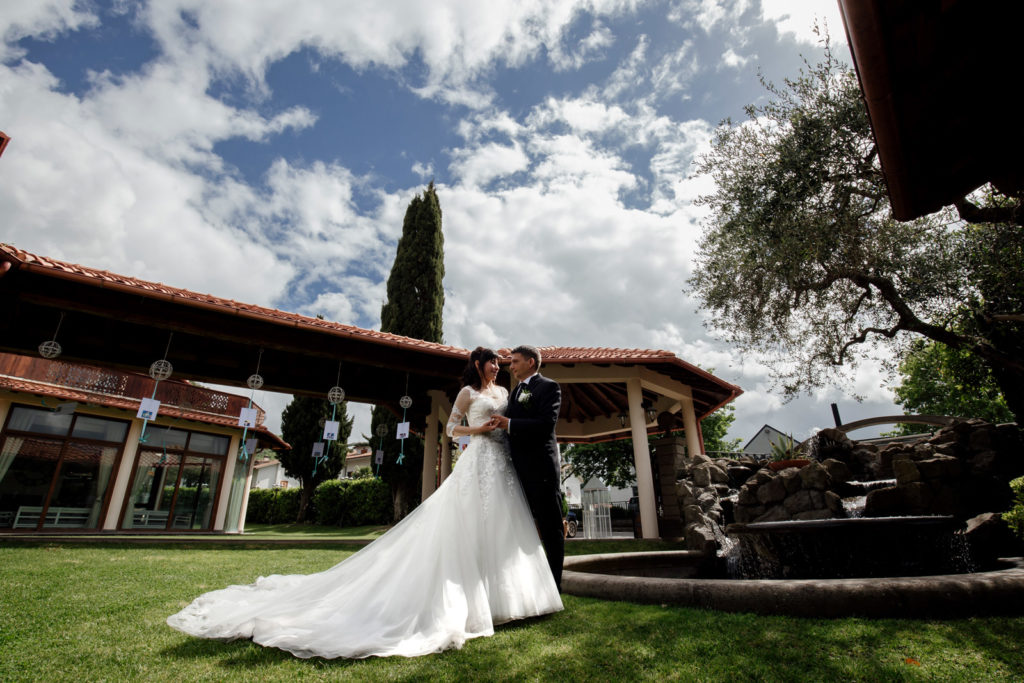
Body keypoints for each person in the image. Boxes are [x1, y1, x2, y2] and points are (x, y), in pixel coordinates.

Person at [166, 346, 562, 659]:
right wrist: (479, 428)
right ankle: (471, 601)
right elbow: (452, 426)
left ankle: (507, 598)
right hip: (477, 457)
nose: (498, 366)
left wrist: (506, 428)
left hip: (502, 463)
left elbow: (520, 422)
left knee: (503, 525)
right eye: (493, 361)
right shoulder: (466, 392)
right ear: (478, 365)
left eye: (502, 362)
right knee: (469, 524)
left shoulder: (509, 393)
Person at [487, 345, 564, 589]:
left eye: (515, 361)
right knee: (522, 526)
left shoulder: (549, 387)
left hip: (541, 469)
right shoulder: (514, 392)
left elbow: (544, 425)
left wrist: (508, 423)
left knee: (550, 528)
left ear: (531, 363)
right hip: (517, 470)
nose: (511, 366)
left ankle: (554, 584)